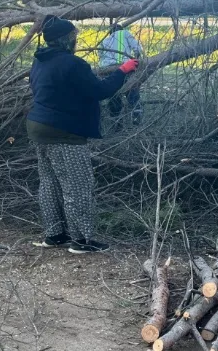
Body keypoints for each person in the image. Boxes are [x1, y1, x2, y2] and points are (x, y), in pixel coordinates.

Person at [27, 15, 139, 254]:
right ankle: (81, 240)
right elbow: (100, 91)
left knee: (49, 182)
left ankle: (55, 235)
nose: (75, 40)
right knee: (77, 185)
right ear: (66, 39)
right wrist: (122, 71)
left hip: (38, 126)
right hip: (65, 132)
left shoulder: (39, 61)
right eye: (73, 37)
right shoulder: (73, 64)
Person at [99, 22, 143, 126]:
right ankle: (136, 122)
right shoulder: (124, 33)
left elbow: (100, 56)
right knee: (132, 94)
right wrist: (136, 60)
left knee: (114, 97)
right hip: (125, 67)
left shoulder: (104, 41)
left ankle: (116, 124)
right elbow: (138, 48)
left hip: (108, 70)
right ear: (121, 29)